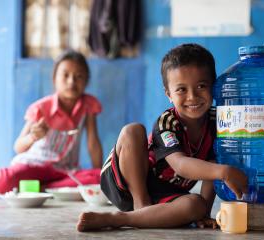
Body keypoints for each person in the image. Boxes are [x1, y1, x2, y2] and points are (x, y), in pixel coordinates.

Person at [76, 43, 248, 231]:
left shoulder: (219, 122)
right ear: (169, 94)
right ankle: (130, 210)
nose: (192, 96)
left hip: (165, 194)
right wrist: (224, 172)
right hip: (127, 182)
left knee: (196, 204)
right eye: (181, 89)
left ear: (213, 88)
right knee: (133, 130)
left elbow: (212, 165)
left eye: (201, 86)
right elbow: (180, 165)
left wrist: (203, 213)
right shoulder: (167, 123)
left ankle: (136, 217)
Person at [0, 50, 103, 195]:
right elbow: (18, 147)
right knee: (3, 180)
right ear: (54, 78)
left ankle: (40, 188)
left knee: (99, 178)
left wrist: (98, 177)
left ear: (87, 81)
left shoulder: (89, 105)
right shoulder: (41, 108)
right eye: (65, 75)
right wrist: (33, 137)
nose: (71, 81)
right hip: (35, 166)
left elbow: (93, 143)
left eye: (79, 76)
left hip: (66, 171)